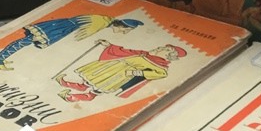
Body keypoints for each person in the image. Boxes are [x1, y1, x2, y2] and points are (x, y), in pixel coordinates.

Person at [0, 13, 143, 69]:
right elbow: (80, 37)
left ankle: (0, 57)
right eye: (125, 30)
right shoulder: (101, 22)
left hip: (63, 27)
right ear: (122, 25)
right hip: (61, 28)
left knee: (27, 41)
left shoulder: (106, 20)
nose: (124, 33)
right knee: (27, 41)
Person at [58, 42, 186, 101]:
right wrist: (109, 45)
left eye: (164, 49)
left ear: (169, 55)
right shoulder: (145, 53)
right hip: (114, 67)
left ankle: (72, 97)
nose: (159, 48)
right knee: (91, 80)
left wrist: (136, 73)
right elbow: (127, 52)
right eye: (161, 47)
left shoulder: (161, 66)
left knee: (98, 88)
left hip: (121, 74)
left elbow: (161, 74)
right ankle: (69, 85)